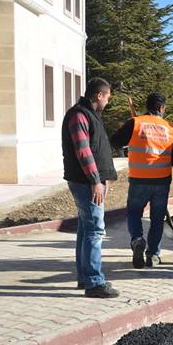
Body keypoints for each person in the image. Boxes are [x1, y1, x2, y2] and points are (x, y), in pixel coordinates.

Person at [62, 77, 120, 298]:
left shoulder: (91, 115)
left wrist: (103, 179)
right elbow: (83, 151)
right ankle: (94, 281)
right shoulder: (79, 115)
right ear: (98, 95)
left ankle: (84, 277)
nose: (108, 101)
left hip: (92, 182)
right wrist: (96, 181)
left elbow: (95, 149)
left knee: (86, 230)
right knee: (94, 230)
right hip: (86, 183)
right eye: (107, 97)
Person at [109, 93, 173, 269]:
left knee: (134, 213)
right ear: (162, 108)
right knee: (157, 219)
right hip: (161, 182)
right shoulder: (170, 128)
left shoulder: (135, 123)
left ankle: (137, 240)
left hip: (139, 179)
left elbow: (115, 142)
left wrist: (131, 142)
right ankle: (153, 255)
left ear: (147, 106)